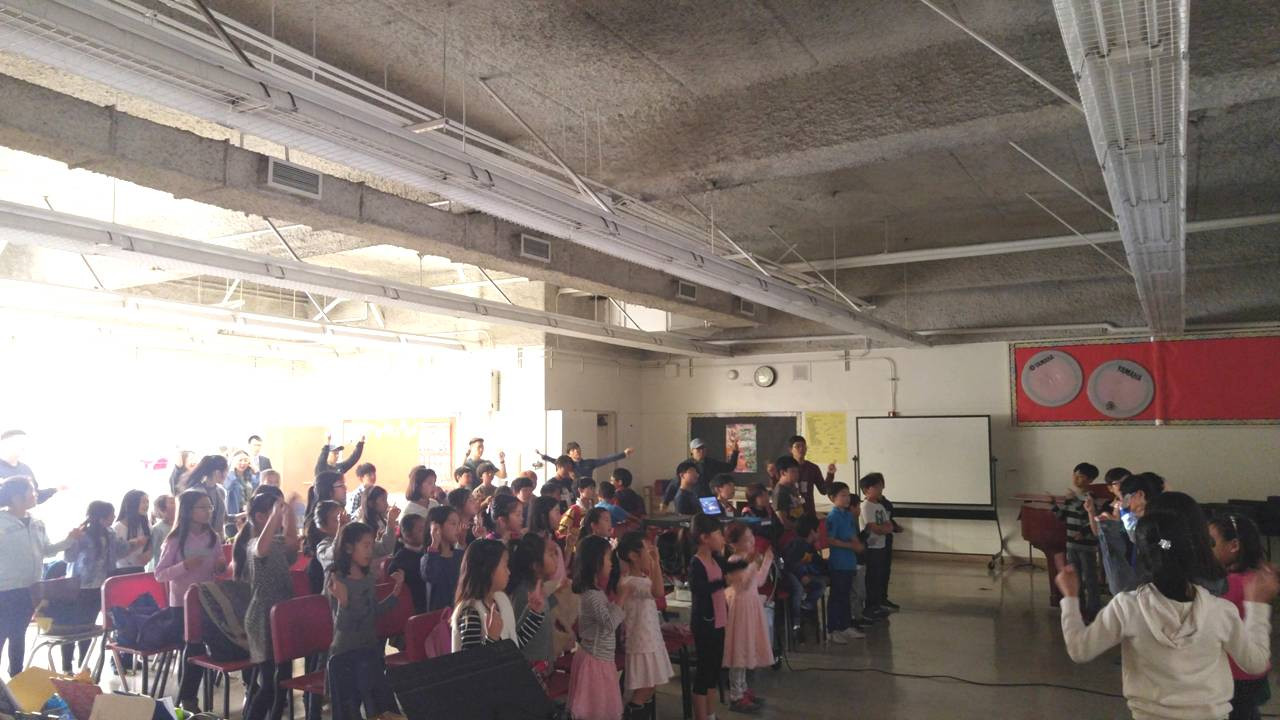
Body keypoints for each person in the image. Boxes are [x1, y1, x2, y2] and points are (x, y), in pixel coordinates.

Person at [1057, 509, 1277, 720]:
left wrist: (1070, 597)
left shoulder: (1126, 607)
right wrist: (1256, 605)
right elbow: (1255, 663)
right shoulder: (1221, 611)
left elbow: (1080, 649)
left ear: (1142, 554)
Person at [0, 476, 81, 677]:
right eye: (31, 491)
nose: (35, 494)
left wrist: (69, 540)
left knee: (19, 634)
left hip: (30, 588)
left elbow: (47, 550)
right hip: (5, 589)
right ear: (16, 497)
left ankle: (16, 677)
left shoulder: (37, 523)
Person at [154, 489, 226, 712]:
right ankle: (188, 698)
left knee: (208, 646)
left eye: (209, 507)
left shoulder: (213, 536)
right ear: (188, 511)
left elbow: (219, 561)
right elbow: (160, 574)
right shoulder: (175, 539)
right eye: (202, 507)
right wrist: (185, 566)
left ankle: (193, 696)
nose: (208, 511)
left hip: (207, 599)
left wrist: (221, 565)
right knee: (193, 647)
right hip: (182, 604)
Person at [324, 522, 404, 720]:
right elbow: (341, 626)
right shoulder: (337, 578)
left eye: (372, 545)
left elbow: (373, 612)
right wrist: (343, 603)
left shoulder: (367, 577)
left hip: (368, 649)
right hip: (345, 655)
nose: (370, 551)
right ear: (349, 548)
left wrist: (395, 593)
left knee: (382, 707)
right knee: (350, 711)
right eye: (366, 545)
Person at [65, 501, 146, 672]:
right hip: (80, 587)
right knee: (75, 628)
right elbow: (69, 557)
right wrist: (71, 540)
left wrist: (135, 543)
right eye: (111, 514)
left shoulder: (110, 533)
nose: (114, 517)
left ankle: (83, 665)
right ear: (101, 517)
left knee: (90, 627)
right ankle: (67, 667)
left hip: (102, 586)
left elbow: (121, 550)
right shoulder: (82, 534)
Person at [1208, 513, 1273, 720]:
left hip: (1236, 673)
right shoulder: (1255, 576)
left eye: (1210, 542)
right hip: (1251, 673)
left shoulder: (1230, 585)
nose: (1203, 548)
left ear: (1234, 545)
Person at [243, 493, 300, 720]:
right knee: (268, 684)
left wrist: (289, 514)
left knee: (283, 680)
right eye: (273, 511)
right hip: (262, 617)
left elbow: (292, 541)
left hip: (282, 615)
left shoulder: (277, 542)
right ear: (260, 517)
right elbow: (261, 549)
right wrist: (276, 514)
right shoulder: (253, 544)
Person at [567, 535, 630, 720]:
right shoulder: (591, 595)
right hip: (594, 661)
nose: (611, 564)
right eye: (608, 559)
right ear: (596, 563)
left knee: (603, 708)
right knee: (596, 710)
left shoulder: (597, 592)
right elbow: (609, 623)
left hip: (602, 659)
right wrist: (621, 597)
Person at [688, 513, 744, 720]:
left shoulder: (716, 559)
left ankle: (710, 714)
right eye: (718, 534)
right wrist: (723, 582)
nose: (722, 538)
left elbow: (732, 567)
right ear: (704, 538)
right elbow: (699, 589)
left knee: (713, 672)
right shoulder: (697, 563)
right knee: (704, 674)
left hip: (719, 622)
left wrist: (746, 558)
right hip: (705, 624)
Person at [613, 532, 671, 719]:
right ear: (633, 555)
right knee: (644, 686)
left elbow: (654, 587)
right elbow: (658, 591)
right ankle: (630, 713)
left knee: (650, 683)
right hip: (641, 641)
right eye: (646, 550)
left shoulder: (640, 579)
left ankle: (635, 711)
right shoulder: (631, 582)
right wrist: (656, 562)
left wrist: (652, 563)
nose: (650, 553)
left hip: (649, 638)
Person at [450, 539, 545, 652]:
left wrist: (534, 614)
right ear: (488, 569)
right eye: (505, 565)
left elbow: (513, 646)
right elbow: (472, 660)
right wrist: (491, 638)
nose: (509, 572)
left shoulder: (501, 600)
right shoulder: (470, 612)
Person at [723, 521, 774, 711]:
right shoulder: (733, 560)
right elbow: (742, 584)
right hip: (741, 607)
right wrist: (753, 562)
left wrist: (766, 561)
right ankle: (736, 695)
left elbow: (758, 581)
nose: (752, 541)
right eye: (747, 539)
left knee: (747, 647)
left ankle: (743, 689)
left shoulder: (746, 559)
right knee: (740, 650)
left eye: (752, 537)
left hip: (751, 605)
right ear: (734, 544)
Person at [1051, 462, 1101, 618]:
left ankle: (1093, 608)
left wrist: (1083, 532)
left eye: (1080, 477)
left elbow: (1090, 517)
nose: (1075, 479)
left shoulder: (1090, 497)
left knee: (1090, 577)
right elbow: (1063, 517)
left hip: (1087, 545)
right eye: (1075, 475)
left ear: (1090, 480)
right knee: (1075, 576)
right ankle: (1078, 607)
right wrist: (1053, 505)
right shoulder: (1070, 497)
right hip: (1071, 544)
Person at [506, 533, 560, 671]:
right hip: (530, 669)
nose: (556, 558)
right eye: (550, 555)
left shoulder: (539, 587)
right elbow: (518, 637)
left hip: (543, 665)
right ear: (536, 566)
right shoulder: (523, 593)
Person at [824, 482, 865, 643]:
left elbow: (852, 534)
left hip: (849, 561)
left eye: (848, 495)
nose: (847, 498)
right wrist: (850, 546)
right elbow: (830, 540)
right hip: (839, 562)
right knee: (837, 596)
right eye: (843, 495)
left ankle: (845, 626)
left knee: (846, 595)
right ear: (832, 498)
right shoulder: (833, 517)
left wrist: (857, 544)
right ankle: (833, 629)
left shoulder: (848, 515)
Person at [662, 435, 740, 510]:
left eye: (703, 448)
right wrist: (665, 502)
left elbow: (730, 467)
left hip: (709, 500)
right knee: (694, 518)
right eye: (698, 449)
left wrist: (735, 452)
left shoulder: (712, 463)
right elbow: (674, 483)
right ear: (692, 451)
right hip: (692, 500)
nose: (701, 451)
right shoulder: (686, 466)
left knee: (713, 517)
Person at [782, 515, 826, 633]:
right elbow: (791, 563)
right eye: (818, 530)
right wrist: (802, 575)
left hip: (803, 575)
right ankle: (796, 622)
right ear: (812, 532)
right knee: (798, 589)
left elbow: (817, 561)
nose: (820, 532)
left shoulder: (810, 546)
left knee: (821, 584)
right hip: (790, 575)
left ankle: (806, 605)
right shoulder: (797, 544)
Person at [859, 473, 894, 619]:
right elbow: (874, 527)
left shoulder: (879, 505)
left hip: (881, 545)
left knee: (879, 577)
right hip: (871, 547)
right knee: (871, 578)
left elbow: (889, 525)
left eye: (881, 486)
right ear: (867, 489)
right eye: (877, 486)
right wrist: (884, 529)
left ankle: (878, 604)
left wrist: (885, 529)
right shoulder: (866, 506)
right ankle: (870, 607)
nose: (881, 489)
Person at [422, 505, 464, 612]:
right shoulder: (428, 558)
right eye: (453, 524)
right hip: (440, 617)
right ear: (437, 527)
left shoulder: (460, 555)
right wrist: (435, 542)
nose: (458, 529)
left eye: (458, 524)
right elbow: (431, 575)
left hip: (460, 611)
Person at [0, 430, 55, 504]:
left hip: (23, 511)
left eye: (25, 443)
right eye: (19, 442)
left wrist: (55, 490)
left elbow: (35, 497)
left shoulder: (25, 469)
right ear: (4, 444)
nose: (23, 446)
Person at [537, 442, 635, 483]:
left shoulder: (589, 463)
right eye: (573, 450)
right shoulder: (565, 465)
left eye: (577, 448)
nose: (577, 451)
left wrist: (623, 454)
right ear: (568, 454)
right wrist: (544, 457)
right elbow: (554, 461)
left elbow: (605, 459)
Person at [786, 435, 835, 516]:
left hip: (809, 512)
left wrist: (830, 474)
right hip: (791, 513)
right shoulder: (786, 468)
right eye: (798, 446)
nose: (801, 449)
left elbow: (823, 490)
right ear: (790, 450)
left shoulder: (813, 468)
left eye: (803, 446)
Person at [388, 514, 428, 613]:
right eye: (421, 530)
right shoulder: (401, 560)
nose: (426, 532)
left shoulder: (428, 552)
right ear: (407, 534)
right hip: (417, 608)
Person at [185, 455, 230, 538]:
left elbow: (224, 518)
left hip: (217, 540)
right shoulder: (195, 492)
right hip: (200, 539)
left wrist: (246, 514)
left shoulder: (221, 491)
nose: (227, 475)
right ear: (217, 472)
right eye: (226, 471)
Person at [357, 486, 401, 562]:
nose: (387, 504)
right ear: (371, 503)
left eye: (386, 499)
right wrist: (391, 522)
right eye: (383, 500)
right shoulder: (363, 527)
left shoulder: (381, 519)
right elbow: (386, 548)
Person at [113, 489, 153, 570]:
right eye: (143, 502)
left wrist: (149, 553)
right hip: (121, 571)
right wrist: (135, 544)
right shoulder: (117, 528)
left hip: (140, 569)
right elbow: (114, 555)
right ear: (132, 504)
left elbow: (152, 544)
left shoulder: (147, 524)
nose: (146, 505)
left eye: (147, 502)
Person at [558, 478, 598, 553]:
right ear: (580, 490)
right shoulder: (574, 510)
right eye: (591, 488)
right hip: (578, 548)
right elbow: (561, 530)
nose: (594, 491)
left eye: (594, 488)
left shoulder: (594, 508)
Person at [771, 457, 804, 531]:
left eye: (797, 471)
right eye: (793, 471)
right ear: (783, 473)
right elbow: (783, 522)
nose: (797, 474)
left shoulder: (793, 486)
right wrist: (801, 529)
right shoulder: (780, 493)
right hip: (790, 534)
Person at [225, 450, 259, 517]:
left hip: (249, 512)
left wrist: (256, 469)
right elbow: (228, 487)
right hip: (235, 514)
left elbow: (260, 485)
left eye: (245, 460)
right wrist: (231, 470)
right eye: (240, 460)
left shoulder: (250, 476)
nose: (243, 463)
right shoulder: (228, 476)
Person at [148, 494, 175, 571]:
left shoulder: (182, 525)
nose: (176, 504)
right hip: (163, 569)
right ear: (162, 509)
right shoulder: (157, 529)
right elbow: (153, 552)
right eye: (172, 502)